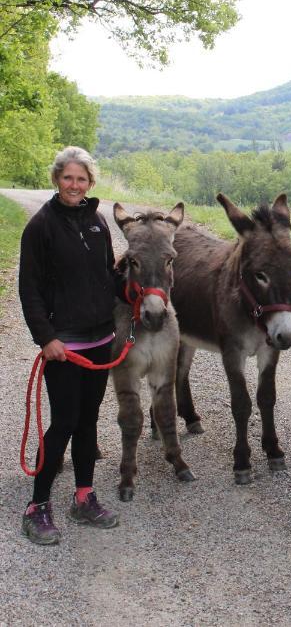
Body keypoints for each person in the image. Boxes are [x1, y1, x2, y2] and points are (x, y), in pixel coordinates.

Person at [19, 146, 120, 545]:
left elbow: (108, 278)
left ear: (90, 183)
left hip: (100, 339)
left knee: (87, 421)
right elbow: (29, 290)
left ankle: (83, 496)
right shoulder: (40, 226)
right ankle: (37, 505)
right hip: (64, 345)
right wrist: (46, 338)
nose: (75, 185)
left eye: (81, 179)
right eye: (68, 178)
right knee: (63, 421)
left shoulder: (97, 222)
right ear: (56, 180)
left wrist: (136, 294)